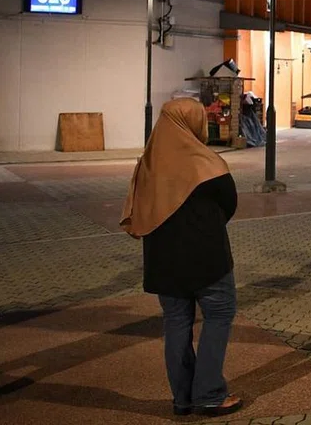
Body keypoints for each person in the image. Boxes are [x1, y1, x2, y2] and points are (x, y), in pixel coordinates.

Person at [119, 98, 243, 418]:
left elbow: (139, 211)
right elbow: (229, 204)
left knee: (176, 323)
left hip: (164, 263)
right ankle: (209, 394)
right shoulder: (208, 164)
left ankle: (183, 397)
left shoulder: (147, 166)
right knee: (218, 315)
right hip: (208, 260)